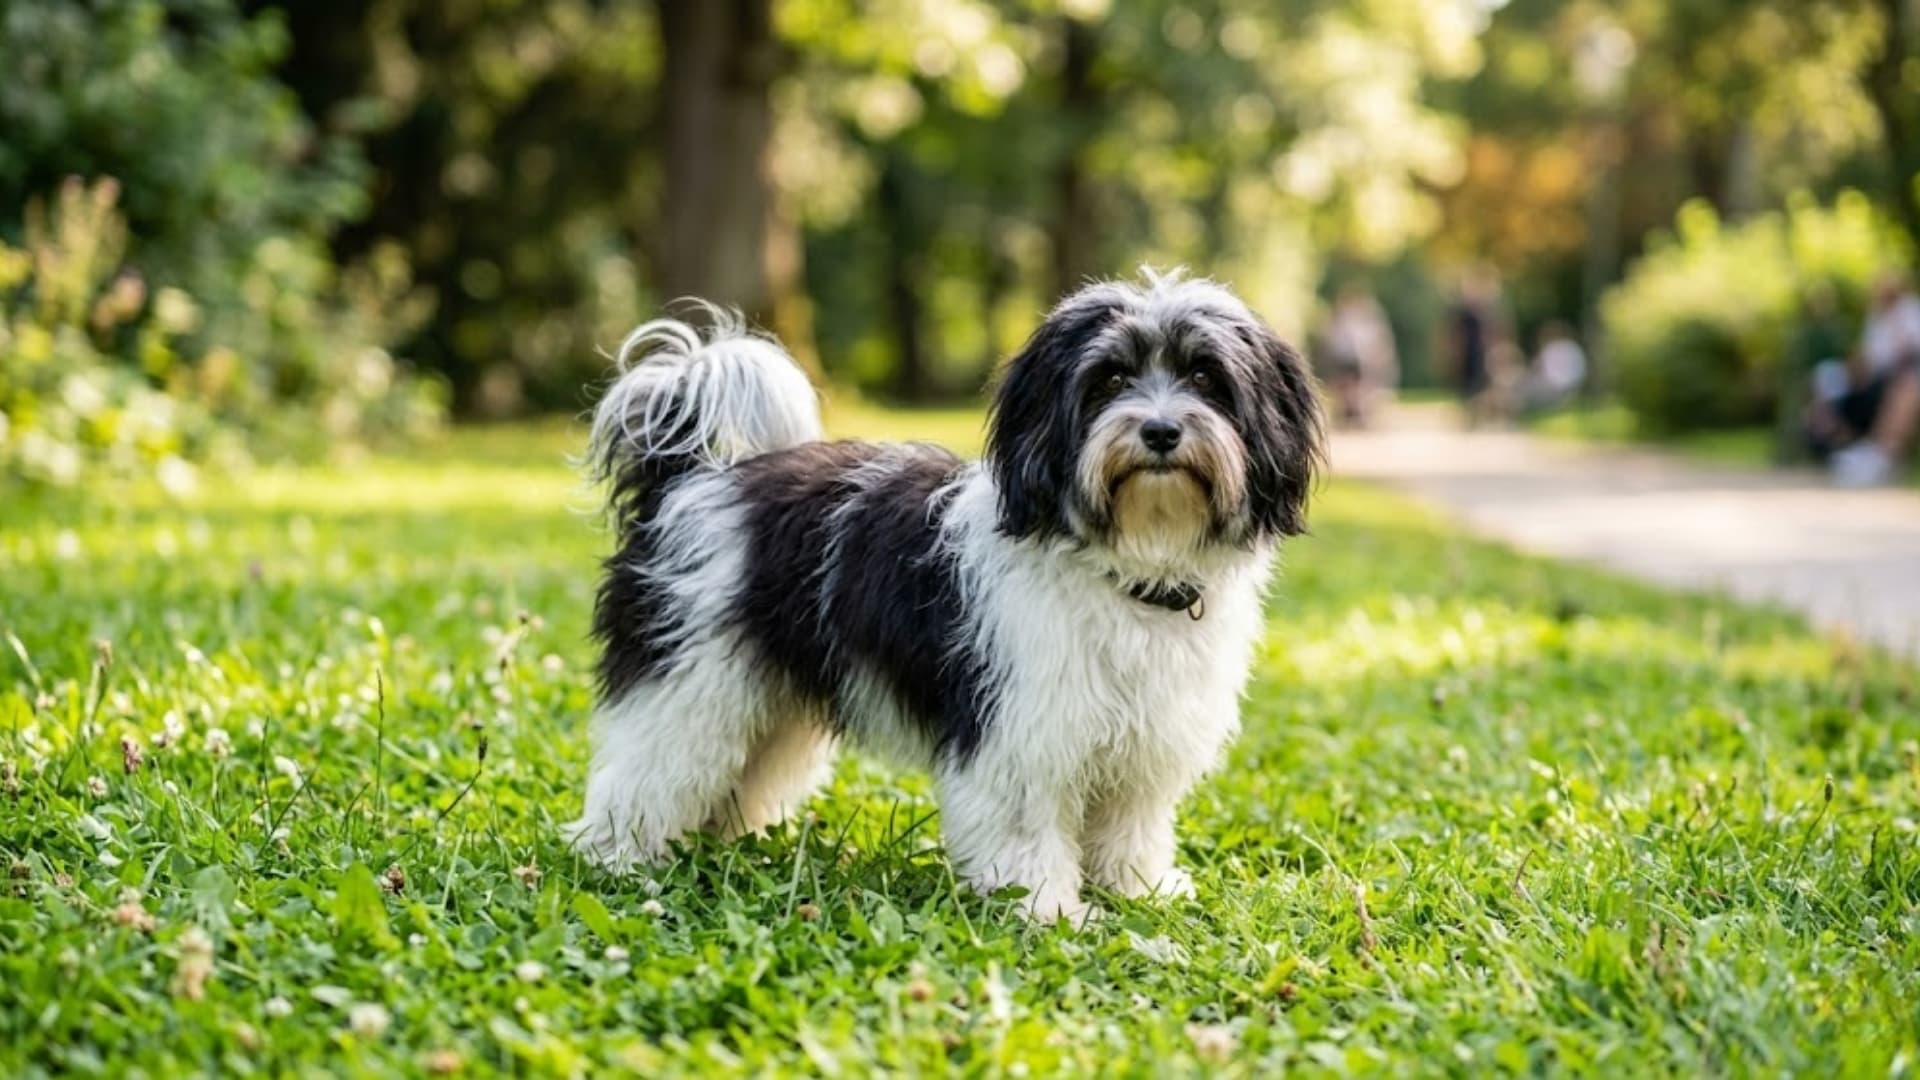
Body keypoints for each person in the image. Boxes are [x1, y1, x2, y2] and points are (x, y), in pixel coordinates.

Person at [1806, 271, 1920, 487]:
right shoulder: (1875, 317)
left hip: (1904, 376)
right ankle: (1850, 447)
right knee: (1826, 379)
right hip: (1876, 379)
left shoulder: (1911, 311)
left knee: (1906, 387)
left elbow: (1907, 352)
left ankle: (1880, 457)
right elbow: (1868, 357)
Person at [1321, 284, 1399, 427]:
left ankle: (1356, 412)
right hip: (1348, 358)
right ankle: (1351, 412)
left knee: (1357, 387)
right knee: (1349, 386)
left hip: (1356, 358)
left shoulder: (1359, 320)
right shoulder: (1345, 319)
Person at [1522, 320, 1586, 413]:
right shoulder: (1573, 346)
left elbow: (1539, 370)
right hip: (1575, 386)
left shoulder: (1551, 348)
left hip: (1555, 388)